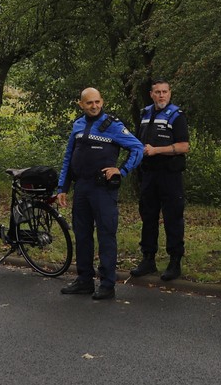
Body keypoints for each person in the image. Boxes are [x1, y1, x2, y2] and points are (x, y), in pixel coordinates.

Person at [54, 87, 145, 301]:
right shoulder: (78, 125)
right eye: (89, 103)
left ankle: (107, 284)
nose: (94, 106)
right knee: (82, 235)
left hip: (102, 190)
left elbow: (138, 148)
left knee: (106, 235)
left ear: (102, 101)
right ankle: (84, 280)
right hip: (82, 188)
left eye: (97, 102)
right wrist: (62, 188)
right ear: (81, 104)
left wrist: (121, 171)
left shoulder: (113, 125)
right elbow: (68, 157)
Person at [130, 79, 190, 281]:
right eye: (158, 92)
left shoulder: (176, 115)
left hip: (170, 175)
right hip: (148, 174)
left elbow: (184, 146)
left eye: (165, 92)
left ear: (170, 93)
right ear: (151, 94)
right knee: (148, 217)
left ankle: (175, 261)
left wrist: (156, 150)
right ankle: (148, 259)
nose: (161, 95)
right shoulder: (145, 114)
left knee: (173, 218)